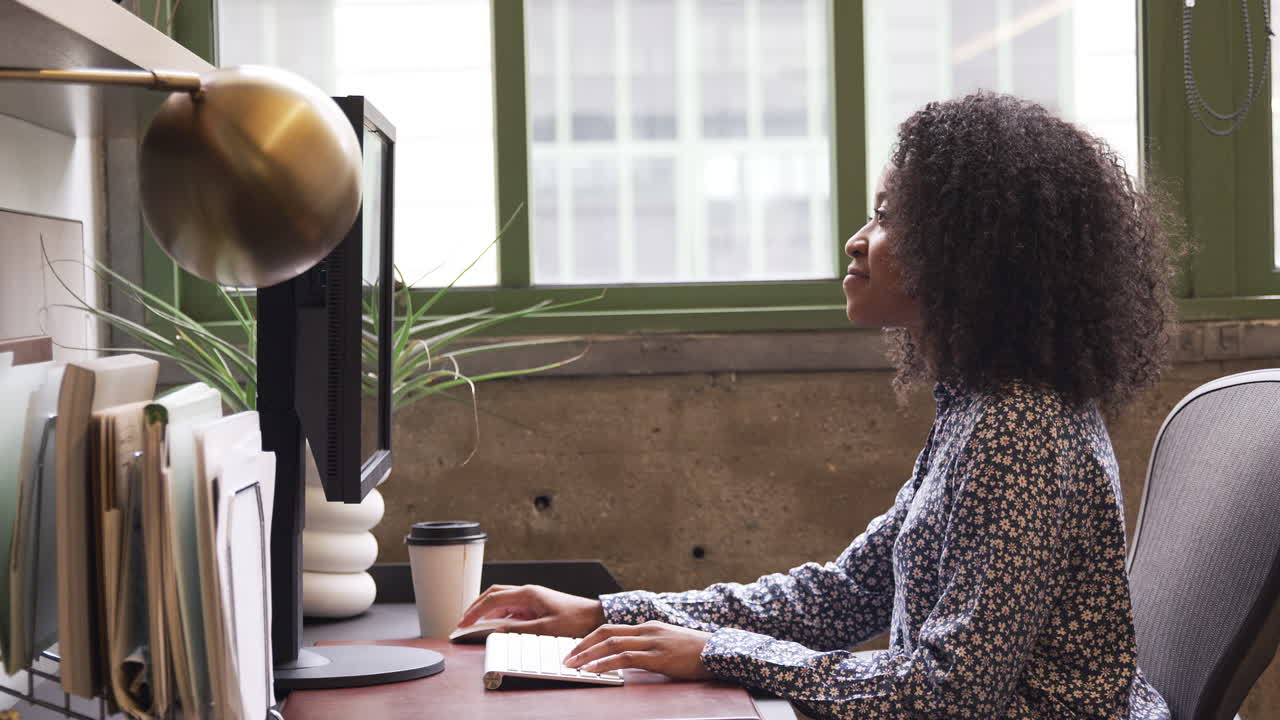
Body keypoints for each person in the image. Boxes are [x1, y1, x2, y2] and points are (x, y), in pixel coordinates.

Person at [458, 93, 1175, 719]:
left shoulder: (1020, 430)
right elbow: (844, 594)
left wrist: (718, 653)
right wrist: (606, 613)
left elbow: (952, 694)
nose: (857, 242)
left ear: (971, 252)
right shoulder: (977, 408)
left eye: (892, 219)